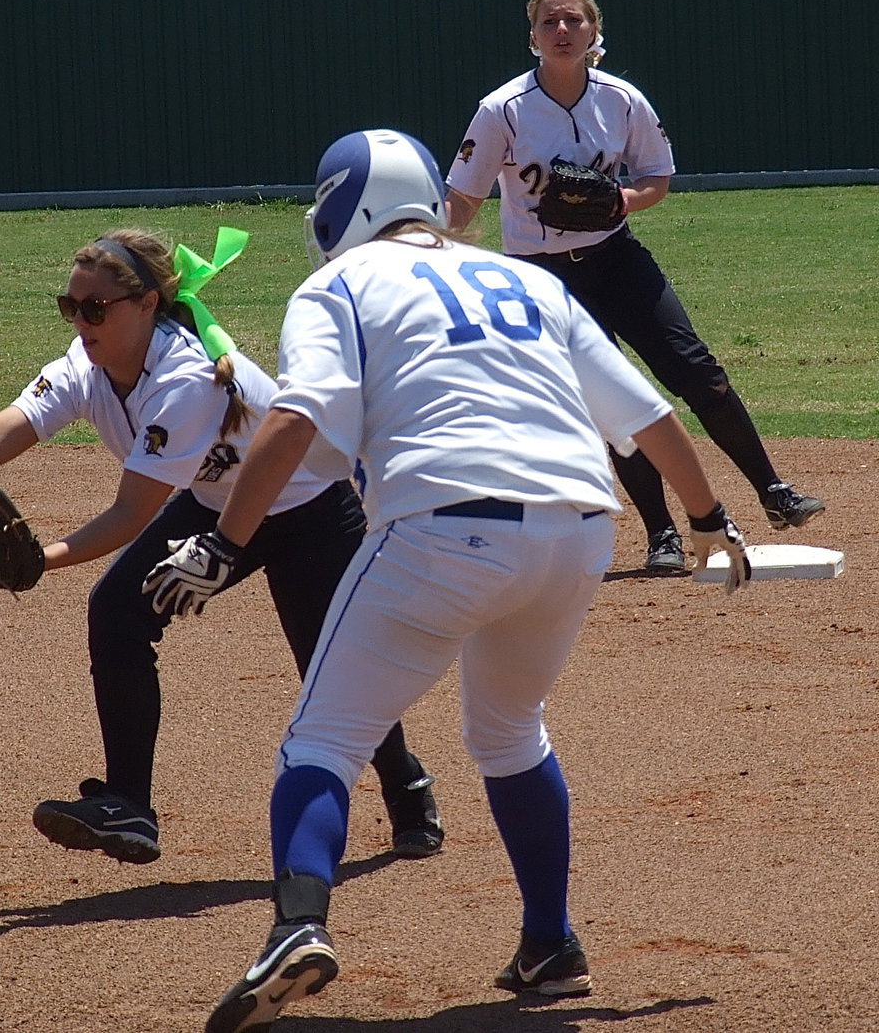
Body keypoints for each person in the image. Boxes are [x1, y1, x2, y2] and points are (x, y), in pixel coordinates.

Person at [143, 130, 751, 1032]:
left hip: (445, 526)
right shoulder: (530, 278)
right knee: (509, 732)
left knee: (324, 738)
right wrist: (707, 522)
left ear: (344, 203)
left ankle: (296, 930)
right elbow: (649, 417)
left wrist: (224, 545)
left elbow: (297, 417)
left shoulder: (338, 284)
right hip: (578, 532)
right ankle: (551, 942)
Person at [0, 226, 445, 866]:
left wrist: (43, 559)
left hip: (309, 511)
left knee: (329, 668)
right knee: (118, 612)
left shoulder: (183, 380)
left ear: (147, 304)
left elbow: (131, 511)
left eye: (94, 307)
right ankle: (129, 803)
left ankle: (406, 787)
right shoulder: (84, 364)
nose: (80, 321)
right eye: (70, 306)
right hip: (217, 500)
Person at [443, 0, 823, 574]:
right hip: (546, 279)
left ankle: (774, 491)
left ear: (594, 32)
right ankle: (663, 535)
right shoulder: (503, 110)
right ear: (533, 36)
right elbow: (462, 198)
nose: (562, 31)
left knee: (697, 371)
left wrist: (621, 200)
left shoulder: (621, 99)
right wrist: (433, 247)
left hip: (616, 258)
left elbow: (656, 179)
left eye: (574, 21)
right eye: (550, 22)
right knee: (615, 402)